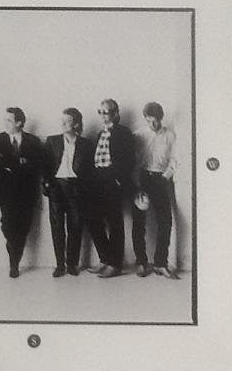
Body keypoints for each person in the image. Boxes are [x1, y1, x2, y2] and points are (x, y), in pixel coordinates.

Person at [0, 107, 42, 278]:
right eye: (5, 120)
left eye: (9, 120)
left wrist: (11, 165)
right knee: (7, 226)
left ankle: (14, 262)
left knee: (23, 228)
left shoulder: (33, 141)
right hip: (6, 193)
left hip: (27, 193)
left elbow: (36, 167)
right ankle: (14, 261)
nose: (5, 123)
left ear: (19, 123)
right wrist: (19, 163)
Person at [43, 108, 94, 277]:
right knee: (57, 227)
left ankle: (71, 264)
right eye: (62, 120)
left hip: (76, 188)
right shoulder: (52, 141)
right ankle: (59, 265)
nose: (63, 124)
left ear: (77, 124)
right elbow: (45, 166)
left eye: (68, 121)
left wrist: (85, 188)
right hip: (56, 187)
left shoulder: (86, 144)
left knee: (76, 225)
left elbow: (90, 170)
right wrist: (47, 185)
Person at [87, 98, 134, 278]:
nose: (102, 115)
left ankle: (115, 265)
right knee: (93, 219)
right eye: (100, 112)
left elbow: (129, 160)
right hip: (97, 180)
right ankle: (105, 259)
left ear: (115, 114)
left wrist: (118, 180)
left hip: (113, 180)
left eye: (106, 112)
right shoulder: (100, 133)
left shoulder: (124, 133)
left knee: (115, 223)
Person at [132, 101, 179, 279]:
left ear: (161, 118)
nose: (153, 124)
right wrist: (136, 182)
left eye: (156, 120)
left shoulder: (170, 135)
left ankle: (161, 263)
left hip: (160, 179)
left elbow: (174, 159)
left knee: (165, 221)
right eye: (149, 120)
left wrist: (165, 176)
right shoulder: (139, 135)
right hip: (142, 178)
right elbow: (132, 159)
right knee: (139, 222)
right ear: (145, 119)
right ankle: (141, 262)